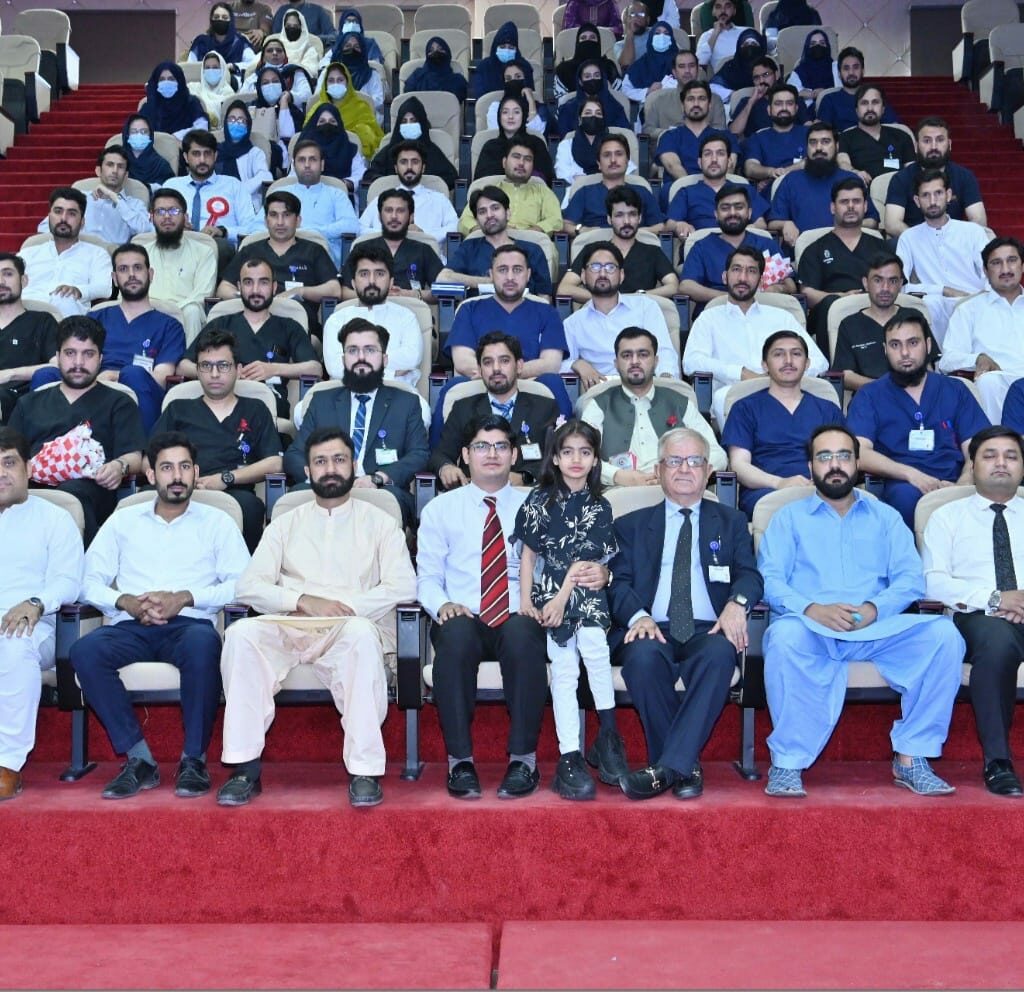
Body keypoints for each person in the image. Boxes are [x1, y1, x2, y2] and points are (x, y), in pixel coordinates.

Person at [758, 423, 964, 798]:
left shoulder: (885, 517)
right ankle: (787, 763)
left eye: (843, 456)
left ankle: (911, 757)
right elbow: (770, 580)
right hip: (812, 629)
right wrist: (811, 609)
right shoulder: (788, 518)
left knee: (943, 635)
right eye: (824, 457)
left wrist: (874, 608)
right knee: (784, 635)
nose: (834, 465)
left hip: (876, 631)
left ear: (857, 464)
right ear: (810, 467)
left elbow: (910, 579)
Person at [218, 426, 415, 807]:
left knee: (359, 636)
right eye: (320, 461)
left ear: (353, 465)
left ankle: (364, 771)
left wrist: (345, 607)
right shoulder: (285, 523)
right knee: (241, 635)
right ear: (307, 472)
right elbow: (248, 587)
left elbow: (403, 587)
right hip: (292, 623)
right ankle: (244, 769)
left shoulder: (380, 522)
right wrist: (302, 599)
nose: (330, 469)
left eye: (339, 460)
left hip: (351, 627)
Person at [72, 430, 250, 799]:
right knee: (85, 652)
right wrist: (125, 602)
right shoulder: (123, 521)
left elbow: (243, 585)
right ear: (150, 475)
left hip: (189, 626)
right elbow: (87, 582)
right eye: (166, 468)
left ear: (196, 471)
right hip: (130, 625)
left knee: (204, 646)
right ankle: (139, 760)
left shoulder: (218, 523)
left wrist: (186, 597)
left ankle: (194, 760)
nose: (177, 476)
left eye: (185, 466)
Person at [609, 427, 762, 800]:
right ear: (659, 470)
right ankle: (683, 767)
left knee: (720, 655)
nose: (684, 469)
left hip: (707, 629)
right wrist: (637, 617)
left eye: (694, 461)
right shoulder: (629, 525)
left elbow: (750, 575)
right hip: (650, 625)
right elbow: (616, 583)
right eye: (674, 461)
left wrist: (736, 604)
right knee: (642, 658)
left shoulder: (731, 521)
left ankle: (665, 768)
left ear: (708, 470)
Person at [418, 415, 560, 799]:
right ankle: (460, 762)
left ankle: (522, 760)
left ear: (514, 455)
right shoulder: (440, 510)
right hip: (462, 611)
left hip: (517, 610)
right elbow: (427, 578)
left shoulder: (537, 507)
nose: (491, 454)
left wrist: (539, 603)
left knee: (522, 633)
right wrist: (442, 604)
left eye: (500, 446)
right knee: (457, 635)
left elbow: (553, 569)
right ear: (465, 455)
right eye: (482, 446)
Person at [514, 418, 628, 798]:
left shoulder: (601, 505)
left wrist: (566, 596)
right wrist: (526, 600)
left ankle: (608, 735)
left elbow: (586, 564)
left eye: (585, 452)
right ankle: (570, 755)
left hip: (584, 593)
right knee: (563, 670)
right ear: (556, 458)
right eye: (567, 452)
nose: (576, 459)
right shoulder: (538, 500)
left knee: (596, 650)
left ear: (596, 460)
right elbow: (528, 555)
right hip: (549, 593)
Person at [923, 425, 1024, 796]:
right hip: (977, 617)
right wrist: (997, 598)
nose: (1001, 463)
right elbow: (932, 582)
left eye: (1011, 457)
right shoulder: (946, 517)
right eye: (990, 455)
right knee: (996, 639)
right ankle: (998, 762)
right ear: (973, 464)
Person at [0, 426, 84, 800]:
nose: (1, 473)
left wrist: (35, 603)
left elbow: (69, 581)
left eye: (9, 463)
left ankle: (7, 763)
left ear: (28, 468)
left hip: (38, 627)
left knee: (15, 644)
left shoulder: (54, 518)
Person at [847, 311, 990, 527]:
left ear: (928, 345)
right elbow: (860, 453)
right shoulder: (870, 395)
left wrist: (963, 484)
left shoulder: (955, 390)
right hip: (900, 483)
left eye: (913, 343)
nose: (904, 352)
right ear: (885, 350)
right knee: (906, 498)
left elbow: (978, 448)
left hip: (954, 479)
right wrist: (911, 475)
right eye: (895, 345)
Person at [10, 317, 144, 544]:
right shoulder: (29, 403)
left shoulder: (119, 402)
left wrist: (118, 466)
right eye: (70, 353)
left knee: (72, 494)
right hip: (33, 486)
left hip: (90, 490)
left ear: (101, 358)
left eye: (88, 354)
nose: (78, 362)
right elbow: (9, 452)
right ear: (58, 356)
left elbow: (135, 457)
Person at [286, 317, 428, 525]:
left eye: (370, 350)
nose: (361, 357)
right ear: (344, 359)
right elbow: (295, 454)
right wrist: (321, 475)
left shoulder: (406, 403)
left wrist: (379, 478)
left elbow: (419, 454)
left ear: (385, 359)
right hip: (326, 486)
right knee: (296, 497)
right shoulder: (322, 401)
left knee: (393, 501)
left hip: (380, 490)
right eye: (353, 350)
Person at [154, 328, 283, 550]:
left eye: (223, 366)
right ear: (197, 370)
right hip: (179, 487)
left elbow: (275, 462)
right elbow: (151, 457)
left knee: (251, 508)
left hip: (235, 492)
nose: (214, 374)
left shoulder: (255, 408)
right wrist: (180, 478)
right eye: (206, 366)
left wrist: (226, 478)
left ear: (238, 369)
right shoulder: (178, 408)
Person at [45, 243, 184, 432]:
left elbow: (160, 377)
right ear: (115, 279)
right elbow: (74, 361)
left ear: (150, 274)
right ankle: (44, 449)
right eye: (123, 269)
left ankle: (144, 453)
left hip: (139, 390)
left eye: (138, 268)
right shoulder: (95, 318)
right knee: (45, 375)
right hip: (89, 384)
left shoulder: (169, 325)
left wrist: (112, 375)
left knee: (133, 373)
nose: (131, 275)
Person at [683, 246, 826, 425]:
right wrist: (741, 373)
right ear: (725, 277)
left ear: (760, 281)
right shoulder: (709, 318)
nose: (743, 278)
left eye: (751, 271)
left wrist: (780, 376)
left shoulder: (781, 316)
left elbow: (819, 362)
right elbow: (691, 362)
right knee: (723, 397)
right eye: (736, 270)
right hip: (735, 394)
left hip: (784, 392)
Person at [441, 244, 571, 425]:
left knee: (553, 382)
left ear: (528, 274)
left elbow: (551, 363)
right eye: (502, 270)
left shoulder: (546, 311)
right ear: (491, 274)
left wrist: (507, 374)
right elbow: (463, 362)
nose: (510, 277)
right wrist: (494, 374)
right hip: (482, 380)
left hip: (530, 382)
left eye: (517, 270)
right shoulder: (469, 309)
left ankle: (565, 448)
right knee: (453, 386)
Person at [579, 326, 725, 485]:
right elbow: (580, 457)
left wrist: (679, 471)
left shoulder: (680, 402)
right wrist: (619, 476)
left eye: (643, 354)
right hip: (619, 494)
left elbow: (717, 455)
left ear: (656, 361)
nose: (635, 361)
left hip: (677, 492)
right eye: (627, 355)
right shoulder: (599, 404)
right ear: (616, 363)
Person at [722, 330, 845, 516]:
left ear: (807, 363)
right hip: (767, 491)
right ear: (765, 365)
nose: (788, 360)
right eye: (778, 354)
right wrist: (780, 483)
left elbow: (843, 459)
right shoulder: (745, 408)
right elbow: (739, 465)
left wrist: (819, 485)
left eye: (796, 354)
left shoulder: (827, 410)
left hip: (822, 489)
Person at [179, 257, 320, 417]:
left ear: (274, 287)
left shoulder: (289, 326)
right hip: (222, 400)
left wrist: (274, 369)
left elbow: (315, 368)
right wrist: (221, 372)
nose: (255, 290)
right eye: (248, 282)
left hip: (269, 403)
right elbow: (183, 365)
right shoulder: (221, 323)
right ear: (239, 287)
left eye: (263, 282)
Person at [430, 332, 559, 491]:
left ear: (519, 366)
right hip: (474, 496)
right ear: (479, 369)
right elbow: (440, 454)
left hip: (527, 496)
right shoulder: (462, 408)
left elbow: (557, 457)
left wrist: (525, 476)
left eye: (504, 361)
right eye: (488, 362)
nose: (496, 368)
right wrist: (446, 467)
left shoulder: (545, 407)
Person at [216, 190, 341, 330]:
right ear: (266, 221)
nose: (280, 222)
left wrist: (300, 292)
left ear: (298, 220)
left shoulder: (313, 250)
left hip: (300, 325)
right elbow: (223, 289)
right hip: (253, 322)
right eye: (274, 215)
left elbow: (334, 289)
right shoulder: (250, 250)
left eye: (286, 215)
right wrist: (248, 296)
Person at [563, 242, 679, 388]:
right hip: (600, 392)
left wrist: (666, 381)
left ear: (621, 275)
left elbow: (664, 351)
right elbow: (558, 363)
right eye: (595, 267)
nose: (603, 274)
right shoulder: (573, 323)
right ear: (583, 276)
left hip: (646, 386)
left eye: (610, 267)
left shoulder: (645, 307)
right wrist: (576, 364)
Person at [897, 170, 989, 349]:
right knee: (931, 303)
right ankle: (940, 363)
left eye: (938, 193)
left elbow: (991, 274)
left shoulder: (973, 232)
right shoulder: (908, 238)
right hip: (937, 306)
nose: (932, 201)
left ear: (948, 195)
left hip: (974, 301)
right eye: (925, 195)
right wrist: (943, 290)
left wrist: (980, 297)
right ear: (917, 201)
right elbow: (901, 285)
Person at [942, 237, 1024, 426]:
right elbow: (947, 360)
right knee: (988, 382)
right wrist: (977, 359)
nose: (1005, 269)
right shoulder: (969, 309)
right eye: (996, 263)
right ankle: (997, 447)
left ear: (1022, 266)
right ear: (986, 272)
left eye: (1012, 260)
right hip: (1000, 384)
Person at [832, 252, 937, 393]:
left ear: (900, 284)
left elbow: (928, 367)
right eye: (878, 280)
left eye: (893, 281)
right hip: (871, 399)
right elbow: (847, 375)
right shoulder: (850, 324)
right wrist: (886, 389)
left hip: (915, 395)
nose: (886, 288)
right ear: (865, 283)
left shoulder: (914, 317)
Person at [322, 243, 423, 389]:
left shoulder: (406, 317)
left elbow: (411, 358)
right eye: (364, 274)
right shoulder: (337, 320)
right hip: (346, 397)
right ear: (353, 283)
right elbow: (335, 367)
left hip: (397, 397)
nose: (372, 281)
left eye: (380, 274)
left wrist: (357, 362)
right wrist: (393, 373)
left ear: (391, 282)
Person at [796, 177, 879, 350]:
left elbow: (894, 284)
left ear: (865, 206)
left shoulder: (880, 247)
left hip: (875, 308)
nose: (850, 206)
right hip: (831, 312)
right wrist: (841, 299)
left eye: (856, 201)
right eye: (844, 202)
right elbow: (807, 293)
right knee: (829, 304)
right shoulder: (815, 249)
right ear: (833, 207)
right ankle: (832, 372)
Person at [768, 122, 879, 248]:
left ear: (837, 146)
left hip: (846, 250)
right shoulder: (791, 180)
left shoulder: (851, 179)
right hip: (801, 253)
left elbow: (872, 221)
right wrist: (784, 224)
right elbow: (772, 222)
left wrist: (845, 226)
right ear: (807, 147)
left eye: (825, 141)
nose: (819, 148)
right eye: (813, 142)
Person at [558, 186, 678, 301]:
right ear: (609, 219)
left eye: (632, 214)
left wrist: (641, 296)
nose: (626, 221)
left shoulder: (653, 252)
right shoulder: (592, 251)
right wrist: (606, 298)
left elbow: (673, 286)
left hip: (639, 314)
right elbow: (564, 288)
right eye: (619, 215)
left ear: (639, 218)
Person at [678, 184, 786, 308]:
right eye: (725, 208)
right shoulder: (702, 246)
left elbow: (789, 284)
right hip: (715, 316)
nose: (732, 213)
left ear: (749, 213)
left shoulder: (766, 244)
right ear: (716, 214)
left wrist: (776, 289)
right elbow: (686, 285)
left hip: (761, 314)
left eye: (739, 207)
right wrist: (730, 298)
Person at [164, 129, 261, 265]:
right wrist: (175, 227)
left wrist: (224, 231)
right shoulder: (172, 186)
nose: (202, 160)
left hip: (217, 251)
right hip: (178, 246)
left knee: (220, 247)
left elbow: (252, 226)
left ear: (215, 156)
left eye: (207, 154)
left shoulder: (233, 185)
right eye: (196, 154)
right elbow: (154, 224)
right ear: (186, 157)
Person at [438, 187, 553, 300]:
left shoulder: (533, 250)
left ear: (508, 213)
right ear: (477, 220)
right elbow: (443, 278)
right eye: (482, 211)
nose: (489, 215)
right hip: (478, 314)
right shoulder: (469, 248)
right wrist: (488, 282)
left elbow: (544, 296)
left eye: (495, 208)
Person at [884, 117, 987, 237]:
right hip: (915, 243)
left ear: (949, 144)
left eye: (940, 140)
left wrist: (956, 242)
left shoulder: (965, 176)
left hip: (954, 242)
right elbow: (892, 224)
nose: (934, 147)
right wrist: (921, 242)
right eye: (927, 141)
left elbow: (978, 220)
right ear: (916, 146)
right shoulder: (900, 179)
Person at [21, 187, 113, 319]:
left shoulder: (97, 254)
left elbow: (105, 288)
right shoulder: (28, 253)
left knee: (64, 298)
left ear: (82, 222)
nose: (63, 218)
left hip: (67, 321)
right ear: (49, 217)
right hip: (25, 318)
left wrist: (78, 290)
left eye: (72, 213)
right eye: (58, 211)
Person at [145, 187, 219, 346]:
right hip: (148, 313)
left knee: (192, 310)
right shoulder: (142, 253)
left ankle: (188, 365)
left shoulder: (204, 251)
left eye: (173, 211)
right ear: (151, 217)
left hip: (185, 316)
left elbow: (202, 294)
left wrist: (172, 312)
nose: (166, 217)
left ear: (185, 217)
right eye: (160, 211)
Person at [344, 188, 443, 304]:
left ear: (411, 217)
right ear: (380, 216)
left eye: (400, 211)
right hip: (368, 312)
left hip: (412, 311)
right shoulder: (362, 248)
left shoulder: (423, 250)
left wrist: (413, 294)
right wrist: (375, 294)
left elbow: (444, 290)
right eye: (388, 210)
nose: (394, 216)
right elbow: (343, 291)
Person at [358, 141, 458, 249]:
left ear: (423, 167)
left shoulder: (439, 200)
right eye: (403, 162)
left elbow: (455, 227)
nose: (409, 167)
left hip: (428, 260)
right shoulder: (382, 199)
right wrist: (393, 232)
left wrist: (424, 235)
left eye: (415, 162)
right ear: (396, 168)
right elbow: (360, 228)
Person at [665, 133, 768, 235]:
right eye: (708, 154)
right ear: (699, 162)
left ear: (729, 161)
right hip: (701, 248)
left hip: (741, 247)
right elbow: (670, 223)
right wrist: (679, 225)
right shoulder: (686, 193)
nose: (714, 159)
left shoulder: (746, 190)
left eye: (720, 153)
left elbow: (761, 223)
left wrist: (751, 228)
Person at [459, 141, 563, 238]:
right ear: (504, 162)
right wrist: (485, 230)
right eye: (516, 157)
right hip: (491, 240)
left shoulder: (543, 191)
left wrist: (533, 231)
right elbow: (465, 220)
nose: (521, 163)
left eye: (527, 159)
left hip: (531, 242)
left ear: (532, 166)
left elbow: (555, 220)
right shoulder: (489, 192)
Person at [562, 134, 663, 234]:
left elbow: (660, 225)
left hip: (635, 245)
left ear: (627, 161)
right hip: (594, 245)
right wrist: (582, 230)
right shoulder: (584, 193)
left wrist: (639, 233)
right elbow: (566, 224)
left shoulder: (642, 192)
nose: (613, 160)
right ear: (599, 163)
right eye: (607, 155)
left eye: (619, 154)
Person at [0, 253, 59, 423]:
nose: (1, 281)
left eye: (8, 274)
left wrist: (10, 374)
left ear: (24, 281)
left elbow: (57, 366)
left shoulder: (42, 321)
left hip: (24, 400)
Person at [286, 139, 359, 269]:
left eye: (313, 159)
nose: (307, 165)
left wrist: (314, 232)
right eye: (302, 160)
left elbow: (351, 226)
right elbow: (256, 227)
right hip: (285, 258)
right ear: (294, 165)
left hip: (325, 262)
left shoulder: (336, 194)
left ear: (322, 165)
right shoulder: (281, 193)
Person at [61, 147, 153, 245]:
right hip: (81, 252)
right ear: (98, 171)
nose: (115, 171)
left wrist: (115, 198)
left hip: (115, 255)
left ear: (126, 175)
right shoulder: (80, 198)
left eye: (120, 166)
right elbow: (48, 226)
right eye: (110, 165)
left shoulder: (135, 204)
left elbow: (145, 230)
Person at [655, 81, 738, 187]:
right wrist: (695, 192)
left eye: (701, 99)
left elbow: (729, 167)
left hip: (719, 192)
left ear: (710, 104)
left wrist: (712, 191)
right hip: (681, 190)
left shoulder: (727, 137)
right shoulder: (669, 136)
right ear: (682, 106)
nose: (696, 104)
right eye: (690, 99)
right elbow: (673, 166)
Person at [363, 97, 458, 191]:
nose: (409, 125)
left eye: (413, 121)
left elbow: (451, 178)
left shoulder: (433, 152)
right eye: (404, 121)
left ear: (421, 123)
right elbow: (370, 175)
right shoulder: (388, 152)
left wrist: (423, 184)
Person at [836, 85, 915, 184]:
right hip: (862, 192)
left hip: (898, 192)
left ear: (883, 109)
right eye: (864, 103)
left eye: (875, 102)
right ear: (856, 110)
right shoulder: (846, 137)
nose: (870, 108)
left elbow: (912, 170)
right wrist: (854, 173)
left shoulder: (902, 135)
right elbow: (843, 162)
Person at [642, 49, 727, 138]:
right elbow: (647, 130)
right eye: (682, 66)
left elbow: (720, 131)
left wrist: (696, 133)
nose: (687, 71)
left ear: (698, 69)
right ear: (674, 72)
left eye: (691, 66)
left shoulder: (715, 100)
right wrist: (673, 133)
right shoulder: (659, 100)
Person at [473, 95, 555, 185]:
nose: (510, 116)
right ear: (499, 117)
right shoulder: (490, 146)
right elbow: (479, 183)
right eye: (505, 112)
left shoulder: (536, 143)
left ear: (523, 116)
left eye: (516, 112)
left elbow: (546, 180)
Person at [739, 83, 810, 186]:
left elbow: (818, 160)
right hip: (771, 193)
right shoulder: (758, 137)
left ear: (796, 108)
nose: (784, 108)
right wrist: (770, 172)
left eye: (789, 103)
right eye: (778, 103)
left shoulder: (810, 133)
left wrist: (779, 175)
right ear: (769, 110)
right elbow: (750, 167)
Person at [817, 47, 900, 133]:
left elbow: (895, 127)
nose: (851, 73)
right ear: (839, 73)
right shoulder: (829, 100)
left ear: (863, 71)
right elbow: (823, 135)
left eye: (855, 67)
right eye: (846, 68)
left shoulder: (874, 97)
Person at [555, 98, 628, 185]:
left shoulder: (615, 145)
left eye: (598, 113)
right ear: (580, 119)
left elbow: (627, 170)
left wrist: (580, 178)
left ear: (603, 119)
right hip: (577, 193)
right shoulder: (566, 146)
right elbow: (562, 174)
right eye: (588, 113)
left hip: (613, 191)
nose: (593, 117)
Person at [297, 100, 369, 190]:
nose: (327, 125)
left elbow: (360, 175)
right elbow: (293, 176)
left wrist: (344, 184)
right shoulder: (303, 149)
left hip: (342, 195)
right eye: (322, 121)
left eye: (332, 121)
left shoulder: (350, 149)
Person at [216, 101, 273, 212]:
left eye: (241, 120)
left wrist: (238, 191)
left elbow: (265, 176)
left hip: (245, 205)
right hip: (216, 203)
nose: (236, 123)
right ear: (225, 123)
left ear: (248, 125)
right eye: (232, 119)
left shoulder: (255, 153)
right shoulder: (215, 151)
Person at [557, 58, 631, 135]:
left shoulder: (615, 107)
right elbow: (564, 136)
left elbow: (624, 134)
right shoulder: (568, 109)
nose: (592, 79)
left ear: (602, 79)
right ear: (580, 81)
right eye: (587, 76)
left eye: (596, 75)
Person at [139, 62, 210, 140]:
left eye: (171, 79)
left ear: (180, 81)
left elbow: (202, 127)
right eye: (162, 79)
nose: (166, 82)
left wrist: (177, 137)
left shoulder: (191, 103)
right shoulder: (149, 107)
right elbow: (138, 130)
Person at [555, 22, 622, 101]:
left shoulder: (608, 66)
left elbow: (619, 95)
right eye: (583, 38)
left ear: (598, 43)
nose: (587, 41)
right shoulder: (564, 69)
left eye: (592, 38)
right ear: (577, 43)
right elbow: (559, 99)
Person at [484, 63, 550, 137]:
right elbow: (496, 133)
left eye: (518, 77)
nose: (513, 81)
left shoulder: (540, 108)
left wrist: (531, 101)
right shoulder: (495, 107)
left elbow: (537, 134)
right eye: (508, 79)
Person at [475, 21, 536, 99]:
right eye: (502, 47)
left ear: (516, 49)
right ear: (495, 47)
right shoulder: (483, 67)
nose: (507, 50)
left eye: (511, 48)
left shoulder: (525, 66)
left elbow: (530, 95)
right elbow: (480, 99)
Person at [621, 19, 677, 104]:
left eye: (666, 33)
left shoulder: (680, 62)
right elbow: (625, 89)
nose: (662, 37)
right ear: (651, 38)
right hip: (647, 108)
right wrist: (647, 91)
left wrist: (666, 87)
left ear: (671, 39)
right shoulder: (641, 64)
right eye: (657, 33)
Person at [187, 3, 255, 71]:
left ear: (231, 20)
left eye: (224, 17)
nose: (220, 20)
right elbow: (190, 66)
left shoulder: (240, 42)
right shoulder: (201, 42)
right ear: (211, 20)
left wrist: (233, 66)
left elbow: (252, 64)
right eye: (216, 17)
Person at [708, 28, 767, 104]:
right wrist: (733, 95)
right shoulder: (730, 67)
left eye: (754, 44)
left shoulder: (768, 66)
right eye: (746, 44)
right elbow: (712, 87)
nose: (750, 48)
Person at [402, 35, 467, 103]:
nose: (436, 52)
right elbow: (408, 96)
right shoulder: (417, 76)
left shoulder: (458, 80)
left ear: (448, 53)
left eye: (440, 49)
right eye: (431, 50)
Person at [121, 115, 175, 193]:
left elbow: (171, 190)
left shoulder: (161, 164)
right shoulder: (119, 162)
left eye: (144, 132)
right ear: (127, 135)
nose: (139, 135)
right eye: (134, 132)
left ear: (150, 136)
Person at [785, 29, 838, 106]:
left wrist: (825, 92)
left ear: (827, 46)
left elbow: (843, 90)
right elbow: (789, 93)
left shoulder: (836, 67)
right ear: (807, 48)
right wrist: (811, 94)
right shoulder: (799, 71)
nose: (818, 46)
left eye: (822, 43)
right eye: (813, 44)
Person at [696, 0, 744, 71]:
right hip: (721, 79)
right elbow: (701, 61)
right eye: (718, 7)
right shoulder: (707, 36)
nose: (723, 11)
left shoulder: (746, 32)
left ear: (734, 10)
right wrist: (715, 33)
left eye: (727, 6)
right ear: (713, 12)